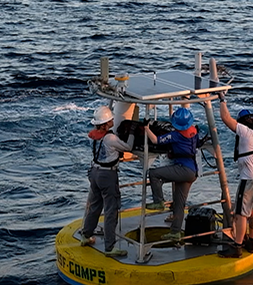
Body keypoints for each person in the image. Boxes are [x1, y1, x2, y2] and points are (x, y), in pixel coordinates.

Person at [217, 92, 253, 258]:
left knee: (241, 214)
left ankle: (237, 247)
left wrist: (222, 99)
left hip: (248, 180)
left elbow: (225, 118)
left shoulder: (246, 132)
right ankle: (251, 242)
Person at [80, 105, 136, 257]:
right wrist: (132, 131)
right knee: (111, 210)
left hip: (94, 172)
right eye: (110, 119)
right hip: (107, 175)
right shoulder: (110, 138)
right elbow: (128, 147)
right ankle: (110, 247)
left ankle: (86, 235)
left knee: (95, 206)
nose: (112, 120)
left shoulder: (94, 136)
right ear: (105, 124)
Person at [144, 107, 199, 241]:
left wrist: (146, 128)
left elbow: (156, 140)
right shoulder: (194, 131)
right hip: (193, 171)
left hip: (183, 169)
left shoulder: (176, 135)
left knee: (154, 174)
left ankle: (159, 201)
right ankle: (175, 232)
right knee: (179, 203)